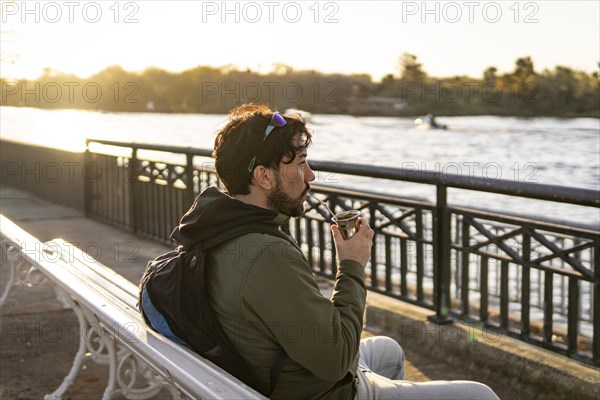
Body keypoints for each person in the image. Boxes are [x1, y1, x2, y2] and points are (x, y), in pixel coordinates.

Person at [148, 104, 499, 399]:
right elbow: (336, 359)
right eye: (300, 164)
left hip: (268, 376)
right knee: (481, 395)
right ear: (264, 176)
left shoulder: (216, 230)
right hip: (322, 391)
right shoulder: (265, 254)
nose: (311, 176)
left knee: (388, 349)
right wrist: (351, 265)